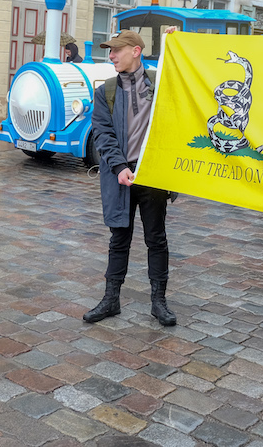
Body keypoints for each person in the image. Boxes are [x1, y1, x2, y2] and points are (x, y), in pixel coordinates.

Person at [83, 29, 176, 327]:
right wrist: (119, 167)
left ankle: (158, 302)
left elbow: (184, 79)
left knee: (156, 239)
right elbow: (103, 134)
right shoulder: (106, 92)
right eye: (110, 51)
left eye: (117, 50)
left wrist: (174, 42)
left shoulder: (160, 84)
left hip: (152, 176)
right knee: (119, 239)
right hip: (119, 176)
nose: (111, 55)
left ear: (136, 51)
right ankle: (111, 300)